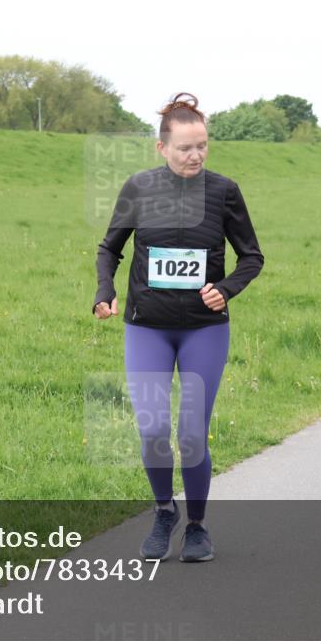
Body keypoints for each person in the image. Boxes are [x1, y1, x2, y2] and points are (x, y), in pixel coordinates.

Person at [93, 93, 264, 562]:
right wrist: (104, 290)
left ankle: (196, 526)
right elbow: (110, 248)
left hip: (204, 329)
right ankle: (163, 511)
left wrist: (225, 289)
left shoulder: (224, 192)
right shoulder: (139, 188)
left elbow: (252, 257)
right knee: (152, 429)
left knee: (190, 431)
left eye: (203, 146)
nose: (196, 155)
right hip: (147, 326)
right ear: (161, 148)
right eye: (186, 147)